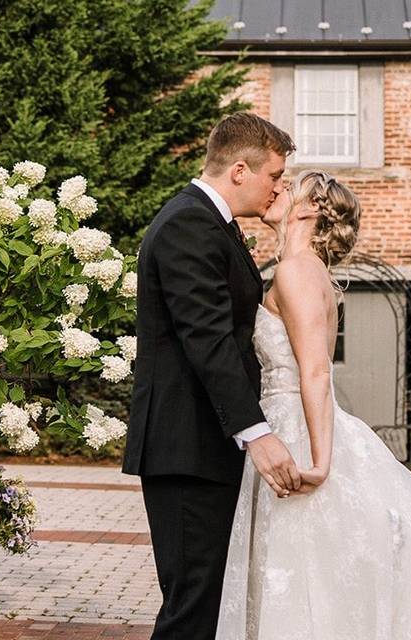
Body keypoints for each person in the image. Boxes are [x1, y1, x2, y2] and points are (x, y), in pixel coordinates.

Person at [215, 169, 411, 639]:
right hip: (288, 422)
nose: (278, 190)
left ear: (307, 210)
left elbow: (317, 371)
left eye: (289, 187)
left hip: (299, 433)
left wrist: (321, 462)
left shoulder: (297, 270)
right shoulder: (306, 271)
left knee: (304, 570)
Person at [122, 113, 300, 640]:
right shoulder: (187, 223)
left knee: (209, 602)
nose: (278, 188)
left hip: (204, 446)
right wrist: (258, 432)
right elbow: (207, 338)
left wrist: (286, 229)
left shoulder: (211, 223)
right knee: (192, 609)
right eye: (274, 176)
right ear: (240, 170)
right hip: (186, 448)